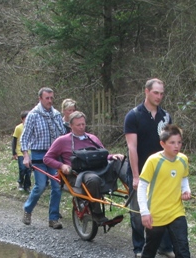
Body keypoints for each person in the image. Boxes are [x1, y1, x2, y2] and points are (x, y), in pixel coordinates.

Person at [137, 124, 196, 258]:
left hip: (176, 211)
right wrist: (144, 212)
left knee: (182, 249)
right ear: (162, 143)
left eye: (179, 142)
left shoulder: (183, 160)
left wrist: (186, 190)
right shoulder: (153, 161)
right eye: (172, 142)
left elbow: (183, 178)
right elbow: (142, 186)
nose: (176, 146)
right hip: (155, 213)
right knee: (151, 247)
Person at [124, 78, 175, 258]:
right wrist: (136, 176)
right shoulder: (134, 115)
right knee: (138, 210)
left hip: (160, 170)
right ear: (146, 91)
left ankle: (165, 246)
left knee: (164, 208)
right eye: (156, 93)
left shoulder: (166, 117)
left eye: (161, 93)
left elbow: (170, 145)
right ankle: (139, 246)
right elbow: (132, 147)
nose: (159, 97)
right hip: (141, 169)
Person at [44, 111, 125, 225]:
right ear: (71, 125)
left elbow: (103, 155)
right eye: (78, 125)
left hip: (99, 169)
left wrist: (113, 156)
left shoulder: (92, 138)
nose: (82, 127)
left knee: (122, 162)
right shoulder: (62, 141)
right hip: (77, 174)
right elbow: (47, 158)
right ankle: (97, 214)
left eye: (83, 124)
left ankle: (132, 191)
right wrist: (62, 166)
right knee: (93, 179)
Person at [20, 87, 66, 229]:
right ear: (40, 98)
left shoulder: (56, 115)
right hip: (39, 154)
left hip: (54, 155)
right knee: (40, 186)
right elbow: (24, 137)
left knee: (56, 187)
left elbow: (63, 135)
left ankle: (53, 218)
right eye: (47, 98)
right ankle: (28, 209)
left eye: (52, 98)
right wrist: (26, 156)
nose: (50, 101)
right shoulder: (33, 115)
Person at [12, 110, 31, 193]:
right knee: (22, 169)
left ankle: (27, 186)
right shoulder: (18, 128)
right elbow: (14, 140)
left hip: (30, 152)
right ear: (22, 119)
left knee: (29, 170)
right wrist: (14, 152)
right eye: (25, 119)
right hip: (20, 152)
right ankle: (20, 182)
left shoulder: (32, 127)